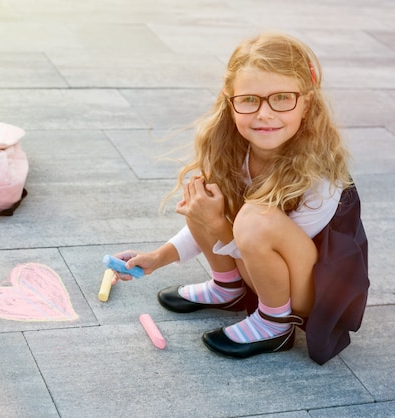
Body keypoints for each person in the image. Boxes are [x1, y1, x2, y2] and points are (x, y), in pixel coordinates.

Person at [112, 32, 369, 364]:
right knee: (203, 197)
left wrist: (220, 225)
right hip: (262, 269)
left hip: (313, 293)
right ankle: (227, 287)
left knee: (254, 219)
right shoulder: (235, 152)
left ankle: (276, 324)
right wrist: (157, 258)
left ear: (306, 103)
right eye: (249, 100)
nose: (264, 113)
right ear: (229, 101)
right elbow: (211, 223)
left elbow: (255, 243)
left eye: (281, 98)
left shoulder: (321, 177)